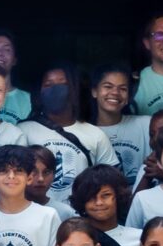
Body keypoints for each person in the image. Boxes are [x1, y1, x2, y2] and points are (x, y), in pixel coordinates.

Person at [25, 66, 121, 206]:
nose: (56, 90)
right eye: (48, 85)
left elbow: (112, 182)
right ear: (39, 92)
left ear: (74, 89)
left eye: (62, 84)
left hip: (81, 218)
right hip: (35, 215)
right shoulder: (23, 130)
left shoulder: (95, 134)